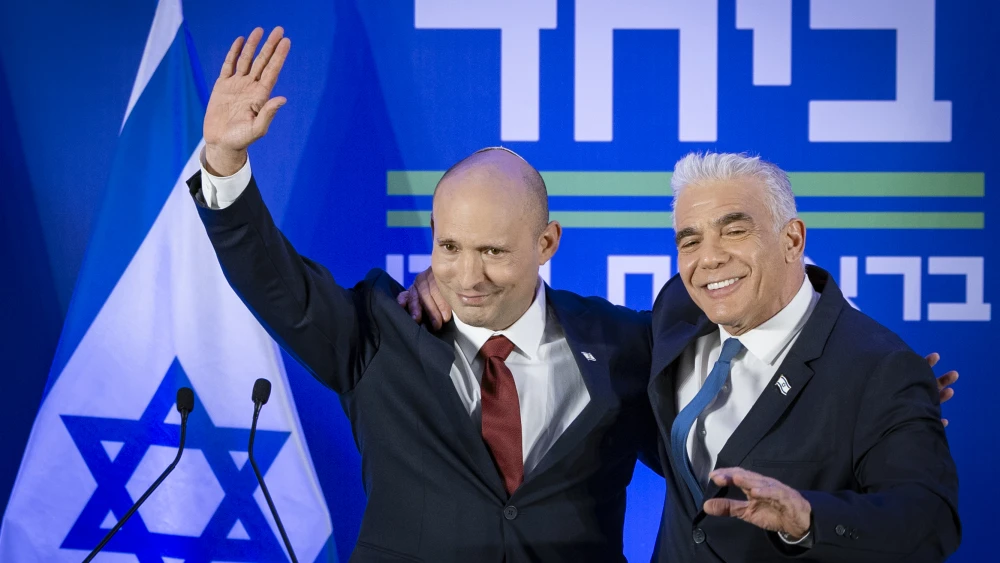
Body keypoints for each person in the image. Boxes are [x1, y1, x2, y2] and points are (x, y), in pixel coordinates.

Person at [190, 27, 659, 562]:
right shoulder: (379, 331)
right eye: (450, 246)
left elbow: (701, 465)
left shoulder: (621, 343)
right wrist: (224, 161)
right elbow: (274, 284)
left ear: (546, 242)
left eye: (494, 252)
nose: (468, 276)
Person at [647, 152, 961, 561]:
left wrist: (810, 520)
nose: (708, 258)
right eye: (690, 240)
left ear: (792, 239)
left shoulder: (879, 370)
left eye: (735, 231)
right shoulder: (677, 310)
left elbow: (930, 521)